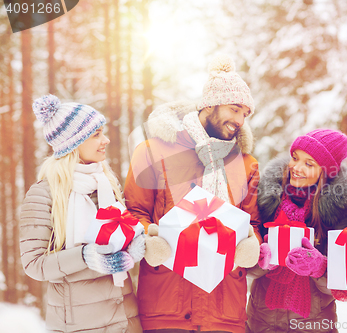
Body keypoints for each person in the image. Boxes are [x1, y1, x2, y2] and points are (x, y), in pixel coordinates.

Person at [124, 54, 261, 333]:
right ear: (209, 105)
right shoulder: (153, 152)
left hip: (224, 311)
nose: (240, 120)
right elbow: (132, 212)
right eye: (234, 109)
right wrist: (150, 237)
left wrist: (251, 244)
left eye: (245, 114)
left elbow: (252, 224)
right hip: (167, 306)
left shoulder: (245, 164)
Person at [20, 95, 145, 333]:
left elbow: (122, 231)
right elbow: (34, 264)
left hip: (126, 320)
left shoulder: (106, 183)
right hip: (80, 326)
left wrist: (135, 243)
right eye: (96, 134)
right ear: (73, 142)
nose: (106, 140)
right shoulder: (44, 194)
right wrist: (86, 256)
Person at [246, 129, 347, 333]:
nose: (296, 167)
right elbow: (246, 269)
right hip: (261, 322)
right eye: (295, 158)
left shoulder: (336, 211)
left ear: (325, 172)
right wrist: (259, 259)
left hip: (314, 324)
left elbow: (344, 284)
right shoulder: (267, 199)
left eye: (309, 163)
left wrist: (319, 267)